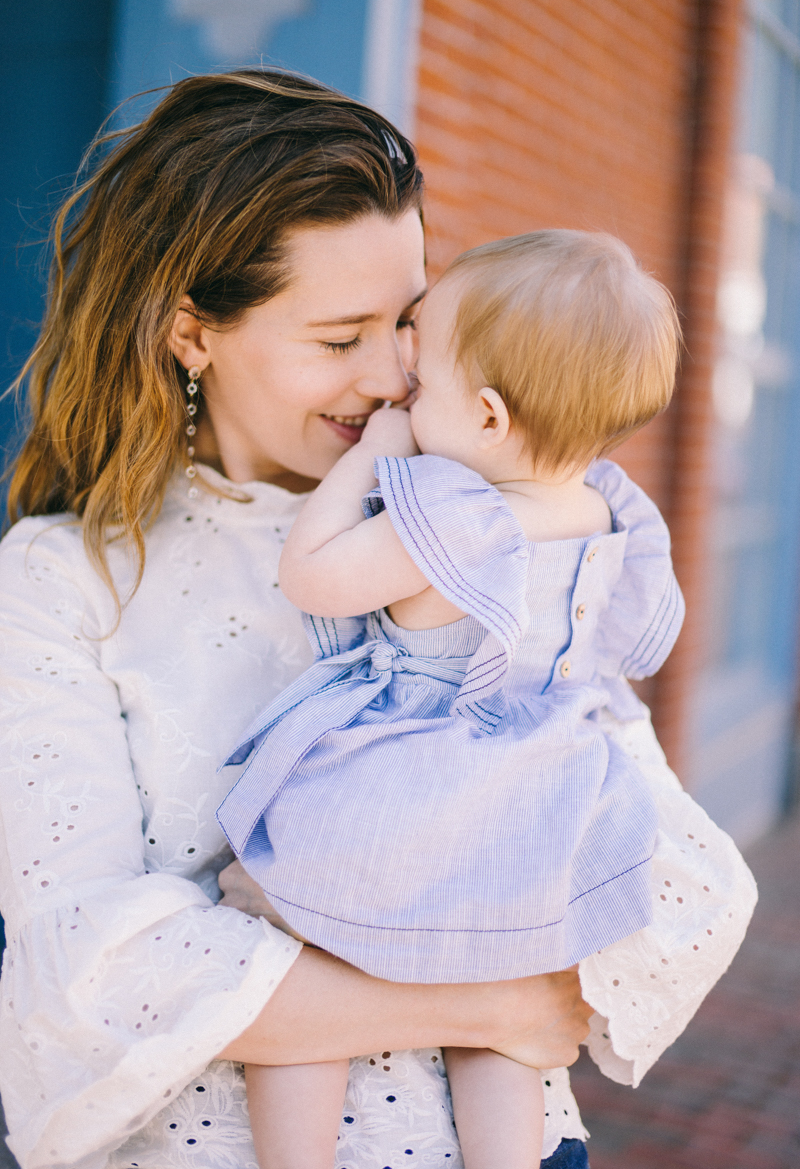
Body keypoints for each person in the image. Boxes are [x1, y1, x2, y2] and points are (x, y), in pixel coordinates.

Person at [0, 70, 755, 1169]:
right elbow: (88, 971)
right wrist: (495, 1005)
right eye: (340, 334)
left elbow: (675, 876)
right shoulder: (60, 581)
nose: (394, 374)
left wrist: (296, 988)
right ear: (190, 333)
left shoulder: (471, 524)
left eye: (406, 320)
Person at [215, 229, 678, 1169]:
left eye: (421, 389)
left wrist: (371, 461)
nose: (398, 392)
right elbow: (625, 637)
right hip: (536, 796)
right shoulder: (608, 508)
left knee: (305, 943)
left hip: (410, 788)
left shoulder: (456, 512)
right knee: (494, 1008)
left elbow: (312, 577)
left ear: (492, 419)